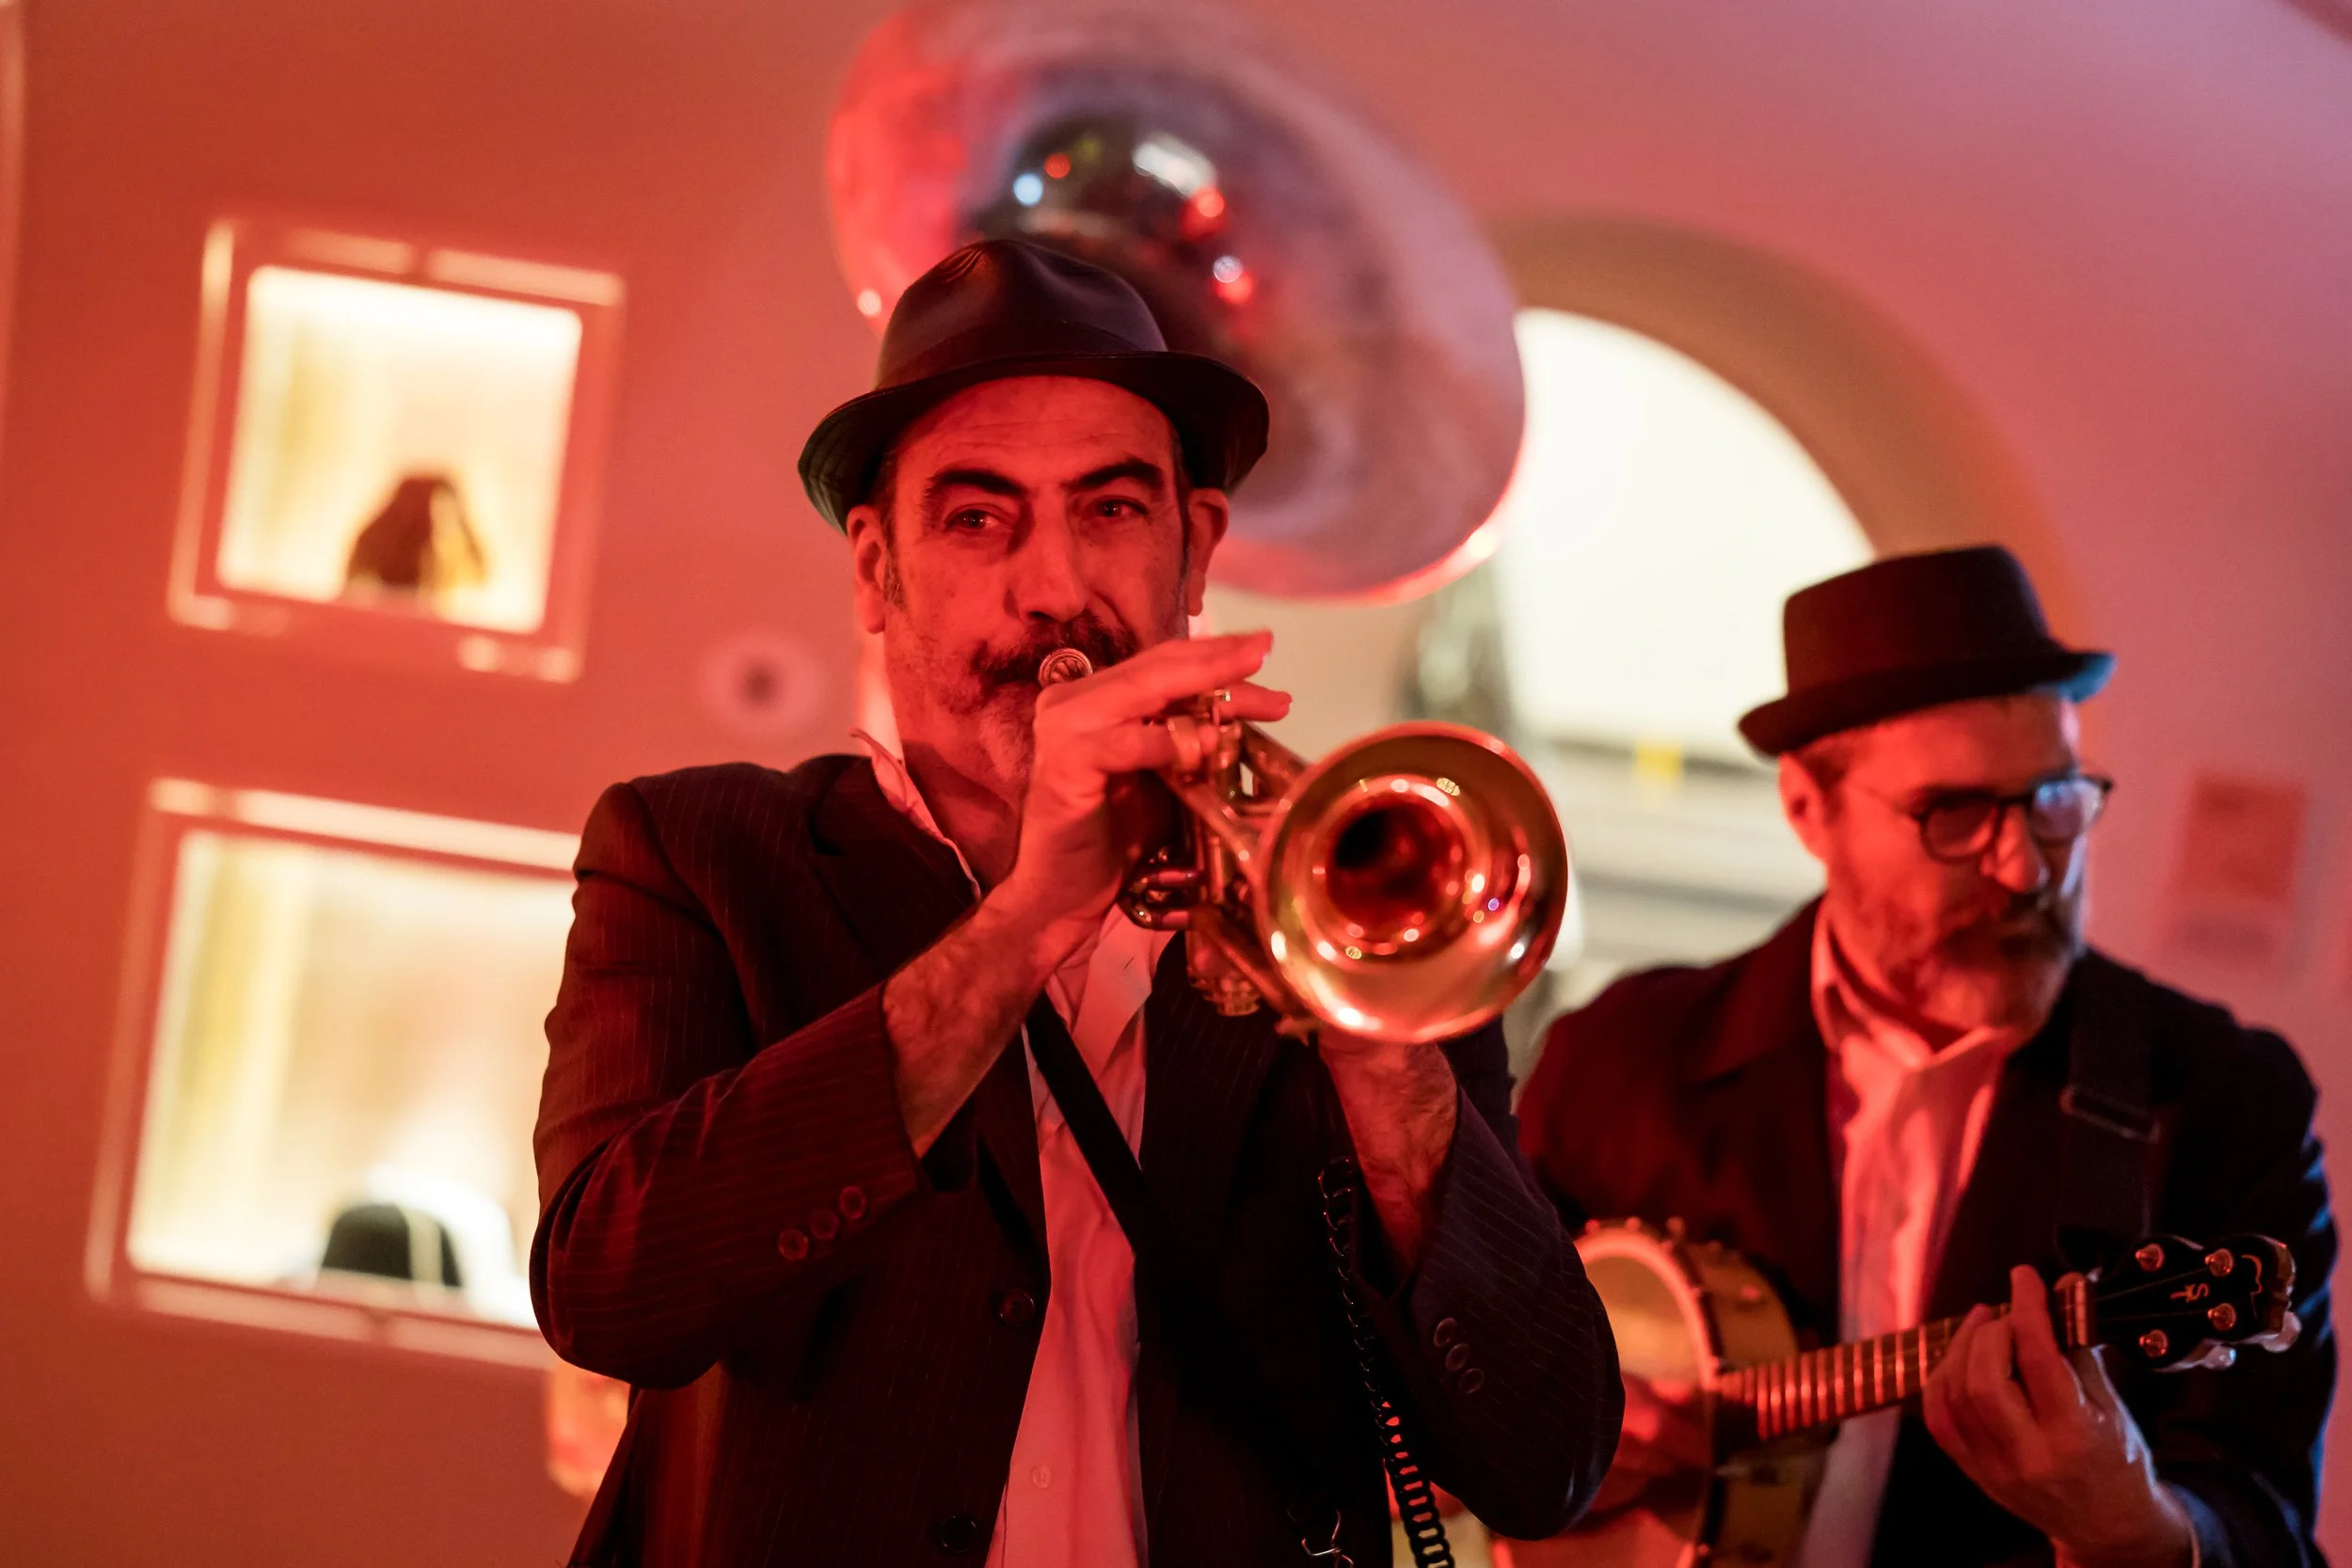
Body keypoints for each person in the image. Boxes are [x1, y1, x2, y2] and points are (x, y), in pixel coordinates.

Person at [532, 239, 1621, 1568]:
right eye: (975, 517)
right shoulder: (698, 852)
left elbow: (1547, 1458)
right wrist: (1030, 914)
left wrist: (1387, 1070)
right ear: (875, 570)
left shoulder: (1366, 907)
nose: (1052, 586)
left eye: (1110, 509)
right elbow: (607, 1292)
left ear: (1196, 544)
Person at [1518, 546, 2334, 1567]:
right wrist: (1534, 1432)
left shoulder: (2223, 1099)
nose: (2023, 864)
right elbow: (1431, 1382)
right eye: (1955, 814)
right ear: (1808, 808)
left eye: (2056, 800)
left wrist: (2126, 1522)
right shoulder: (1619, 1057)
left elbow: (2264, 1526)